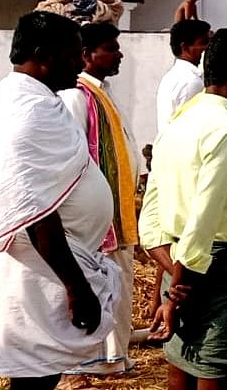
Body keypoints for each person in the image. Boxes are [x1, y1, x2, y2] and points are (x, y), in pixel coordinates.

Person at [142, 24, 227, 390]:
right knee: (216, 369)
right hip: (220, 269)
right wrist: (178, 290)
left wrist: (175, 280)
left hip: (179, 263)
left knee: (182, 363)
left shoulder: (178, 123)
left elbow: (152, 218)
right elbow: (204, 219)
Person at [0, 12, 119, 390]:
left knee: (45, 372)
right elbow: (34, 211)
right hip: (45, 264)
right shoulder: (26, 112)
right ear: (45, 56)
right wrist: (77, 287)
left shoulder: (39, 100)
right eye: (74, 53)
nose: (81, 62)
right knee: (35, 376)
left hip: (60, 259)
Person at [57, 22, 140, 378]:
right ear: (87, 55)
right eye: (110, 48)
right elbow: (74, 158)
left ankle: (114, 357)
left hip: (117, 213)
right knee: (102, 285)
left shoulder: (100, 91)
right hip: (94, 220)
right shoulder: (76, 95)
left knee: (118, 284)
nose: (118, 54)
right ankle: (94, 363)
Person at [157, 19, 211, 133]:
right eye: (204, 43)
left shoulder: (174, 75)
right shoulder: (191, 82)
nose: (209, 48)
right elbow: (191, 129)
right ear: (185, 48)